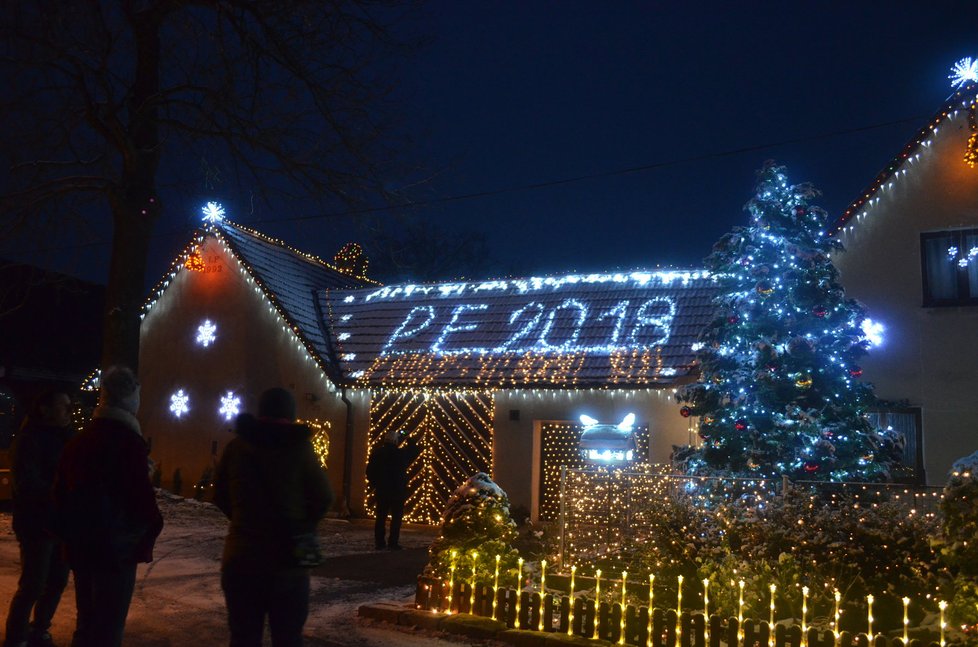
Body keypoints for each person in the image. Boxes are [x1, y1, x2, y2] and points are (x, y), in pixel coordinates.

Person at [53, 366, 163, 647]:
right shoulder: (128, 443)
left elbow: (60, 496)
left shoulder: (79, 441)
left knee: (86, 623)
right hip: (116, 551)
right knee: (108, 628)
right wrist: (151, 526)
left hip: (81, 547)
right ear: (130, 399)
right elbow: (140, 500)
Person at [213, 387, 333, 647]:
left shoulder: (237, 447)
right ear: (290, 414)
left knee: (243, 637)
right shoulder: (300, 448)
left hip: (242, 558)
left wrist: (243, 519)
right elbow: (323, 496)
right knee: (288, 637)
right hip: (287, 559)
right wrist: (303, 523)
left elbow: (220, 494)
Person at [4, 390, 74, 647]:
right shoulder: (28, 439)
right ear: (44, 409)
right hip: (36, 523)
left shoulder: (67, 438)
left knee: (57, 581)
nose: (69, 410)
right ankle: (16, 637)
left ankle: (39, 629)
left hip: (61, 523)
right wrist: (62, 491)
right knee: (34, 584)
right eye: (63, 405)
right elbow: (27, 483)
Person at [365, 429, 420, 551]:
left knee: (381, 517)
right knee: (396, 518)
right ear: (396, 441)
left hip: (382, 490)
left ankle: (379, 542)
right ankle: (393, 542)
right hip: (397, 491)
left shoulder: (377, 453)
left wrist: (376, 484)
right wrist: (407, 437)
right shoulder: (400, 454)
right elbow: (415, 451)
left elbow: (369, 472)